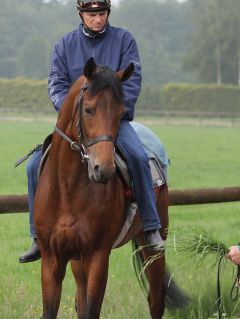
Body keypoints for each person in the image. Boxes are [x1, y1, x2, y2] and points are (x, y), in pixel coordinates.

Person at [19, 0, 165, 263]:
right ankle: (36, 238)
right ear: (81, 13)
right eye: (91, 14)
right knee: (32, 167)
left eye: (101, 13)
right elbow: (56, 84)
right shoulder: (64, 45)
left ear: (108, 13)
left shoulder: (125, 40)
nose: (97, 19)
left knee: (138, 157)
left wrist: (112, 112)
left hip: (111, 123)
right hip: (76, 123)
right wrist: (74, 114)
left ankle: (151, 226)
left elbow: (132, 82)